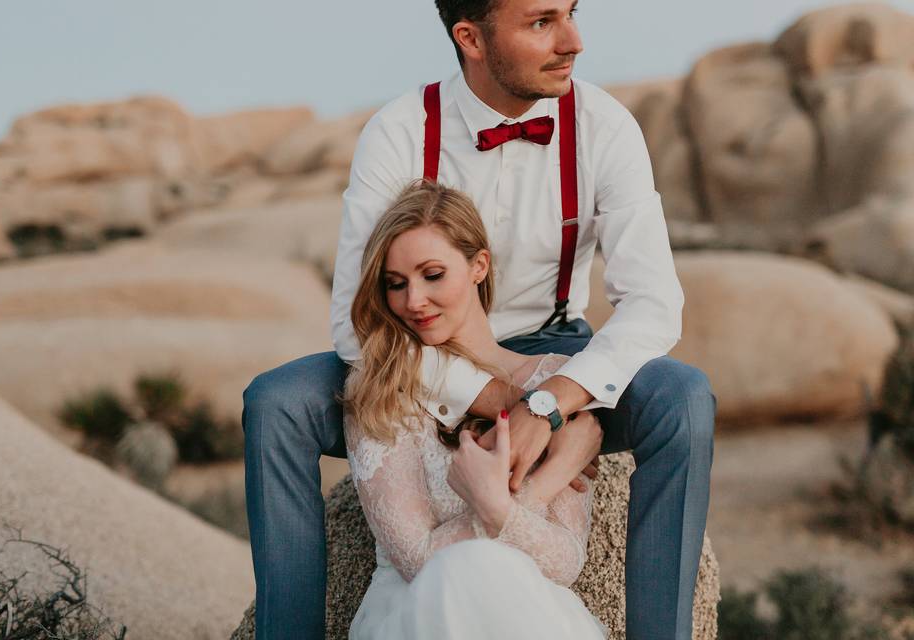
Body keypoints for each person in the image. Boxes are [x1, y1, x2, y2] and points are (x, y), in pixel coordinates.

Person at [242, 0, 716, 638]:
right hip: (413, 346)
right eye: (541, 22)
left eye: (572, 12)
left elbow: (655, 304)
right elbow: (356, 326)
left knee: (682, 399)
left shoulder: (605, 126)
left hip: (555, 349)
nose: (573, 40)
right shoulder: (400, 129)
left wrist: (550, 402)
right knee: (275, 404)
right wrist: (501, 400)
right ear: (470, 37)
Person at [342, 179, 608, 639]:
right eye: (395, 284)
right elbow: (419, 560)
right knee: (469, 571)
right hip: (417, 613)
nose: (413, 301)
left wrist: (497, 504)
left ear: (478, 266)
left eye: (433, 275)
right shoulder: (383, 383)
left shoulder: (553, 383)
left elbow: (565, 563)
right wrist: (538, 484)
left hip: (531, 607)